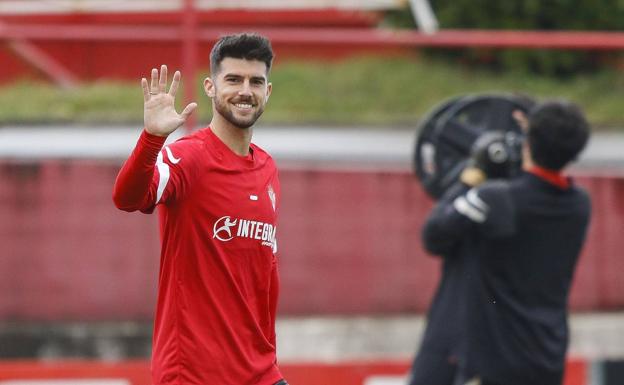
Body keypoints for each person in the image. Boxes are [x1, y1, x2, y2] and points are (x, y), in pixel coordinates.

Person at [113, 33, 288, 385]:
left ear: (267, 91)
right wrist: (152, 138)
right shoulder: (189, 157)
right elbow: (128, 197)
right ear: (210, 87)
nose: (245, 91)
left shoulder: (267, 168)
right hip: (194, 373)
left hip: (259, 371)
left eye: (256, 81)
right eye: (233, 79)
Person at [420, 100, 591, 385]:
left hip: (495, 362)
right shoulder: (579, 205)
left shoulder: (496, 199)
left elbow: (434, 235)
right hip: (546, 359)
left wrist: (471, 176)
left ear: (529, 142)